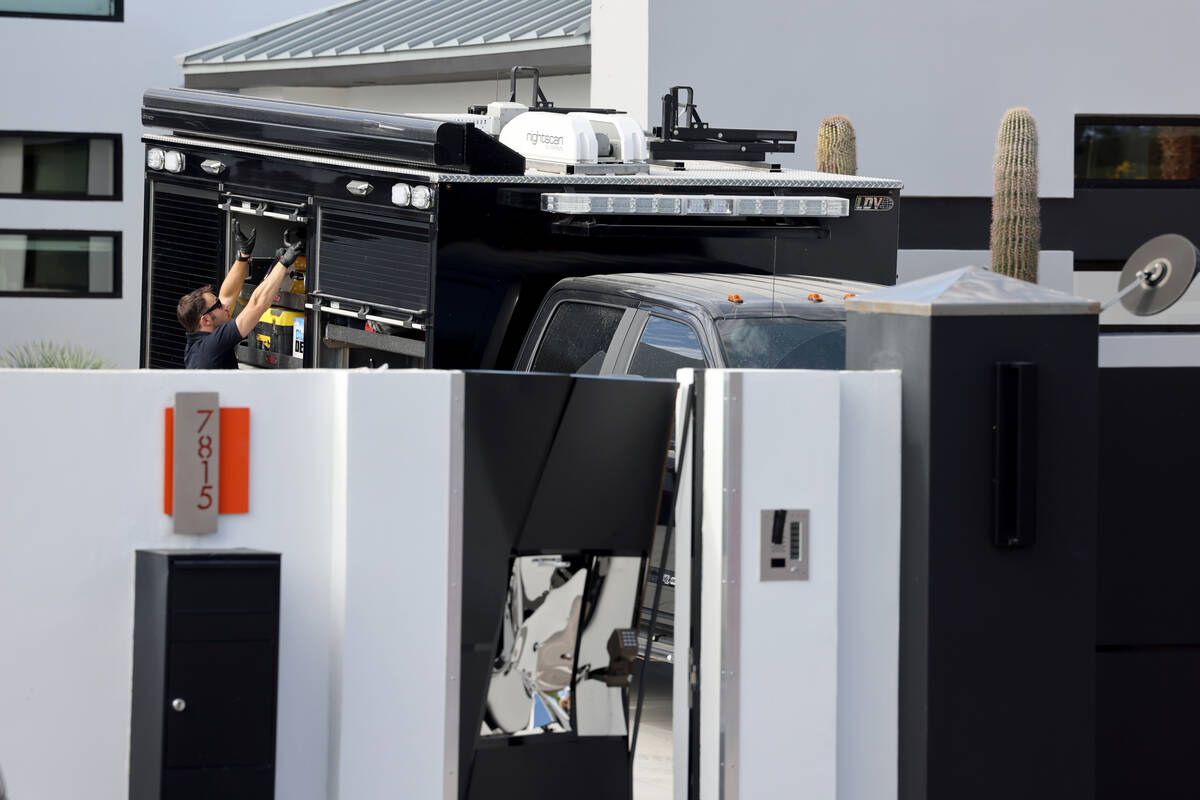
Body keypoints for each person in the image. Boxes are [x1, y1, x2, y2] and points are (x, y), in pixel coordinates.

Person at [176, 220, 303, 369]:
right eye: (218, 305)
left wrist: (243, 255)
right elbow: (256, 305)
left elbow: (227, 296)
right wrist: (284, 263)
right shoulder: (212, 347)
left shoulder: (197, 344)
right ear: (205, 320)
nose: (225, 306)